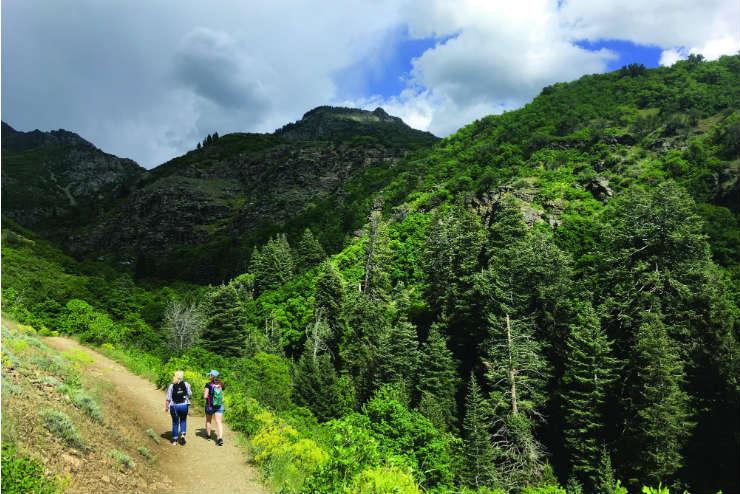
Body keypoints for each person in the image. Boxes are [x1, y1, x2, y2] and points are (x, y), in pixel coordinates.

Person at [165, 370, 192, 445]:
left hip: (174, 406)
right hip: (184, 405)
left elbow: (168, 398)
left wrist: (167, 407)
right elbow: (189, 394)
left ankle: (175, 440)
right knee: (183, 420)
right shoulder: (186, 384)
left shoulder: (171, 386)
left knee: (175, 422)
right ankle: (183, 435)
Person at [204, 369, 225, 446]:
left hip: (209, 405)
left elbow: (205, 396)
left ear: (212, 376)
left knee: (208, 420)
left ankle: (209, 436)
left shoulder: (208, 384)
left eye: (210, 375)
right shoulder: (221, 384)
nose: (209, 376)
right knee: (219, 422)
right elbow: (222, 397)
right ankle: (220, 438)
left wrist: (207, 397)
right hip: (219, 405)